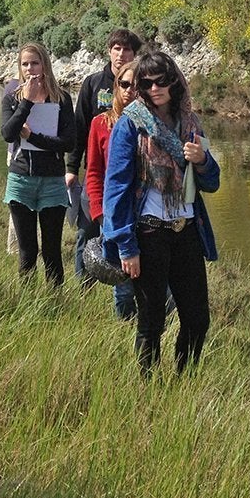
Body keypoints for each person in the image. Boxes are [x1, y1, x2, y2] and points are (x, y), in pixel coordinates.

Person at [102, 51, 219, 374]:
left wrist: (202, 161)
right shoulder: (130, 124)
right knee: (151, 322)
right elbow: (116, 189)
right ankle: (148, 388)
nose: (154, 88)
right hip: (149, 233)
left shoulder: (191, 123)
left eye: (161, 81)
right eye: (146, 83)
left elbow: (212, 183)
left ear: (174, 82)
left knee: (197, 319)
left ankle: (185, 380)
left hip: (186, 231)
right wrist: (126, 245)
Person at [66, 29, 142, 283]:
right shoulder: (93, 83)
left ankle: (123, 283)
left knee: (123, 235)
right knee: (86, 232)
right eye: (117, 48)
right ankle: (83, 282)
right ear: (109, 51)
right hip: (96, 175)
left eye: (127, 49)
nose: (121, 54)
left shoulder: (140, 85)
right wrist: (71, 167)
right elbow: (80, 128)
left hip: (129, 180)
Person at [0, 42, 75, 286]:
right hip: (21, 179)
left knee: (52, 251)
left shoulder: (61, 98)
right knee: (27, 251)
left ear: (45, 64)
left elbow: (68, 142)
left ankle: (55, 302)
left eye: (35, 63)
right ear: (19, 67)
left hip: (52, 180)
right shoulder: (12, 97)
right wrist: (27, 102)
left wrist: (33, 137)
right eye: (25, 64)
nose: (30, 68)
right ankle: (27, 303)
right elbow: (8, 134)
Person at [83, 60, 140, 319]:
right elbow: (93, 172)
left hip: (147, 212)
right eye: (124, 84)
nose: (129, 90)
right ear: (116, 87)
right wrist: (101, 213)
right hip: (113, 213)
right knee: (123, 283)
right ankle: (124, 328)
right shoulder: (100, 123)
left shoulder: (154, 125)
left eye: (136, 85)